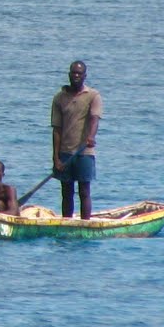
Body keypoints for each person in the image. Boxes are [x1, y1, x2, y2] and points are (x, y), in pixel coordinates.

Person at [51, 60, 102, 219]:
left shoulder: (93, 96)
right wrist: (56, 158)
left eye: (79, 73)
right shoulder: (60, 98)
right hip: (65, 153)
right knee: (66, 192)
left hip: (84, 152)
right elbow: (57, 129)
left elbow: (94, 118)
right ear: (69, 75)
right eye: (73, 73)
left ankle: (85, 223)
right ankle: (67, 222)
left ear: (84, 76)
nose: (76, 76)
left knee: (84, 191)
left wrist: (91, 137)